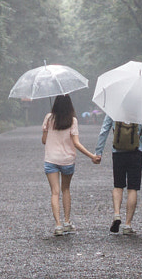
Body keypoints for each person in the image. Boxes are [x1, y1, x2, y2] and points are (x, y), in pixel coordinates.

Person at [41, 94, 99, 235]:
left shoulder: (49, 118)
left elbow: (44, 140)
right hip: (67, 160)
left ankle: (58, 225)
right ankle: (67, 222)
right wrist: (92, 156)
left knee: (54, 192)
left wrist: (49, 132)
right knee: (65, 189)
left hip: (51, 160)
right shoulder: (72, 121)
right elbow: (76, 143)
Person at [95, 116, 142, 235]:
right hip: (136, 152)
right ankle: (127, 225)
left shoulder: (113, 111)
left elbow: (104, 131)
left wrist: (98, 152)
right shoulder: (139, 111)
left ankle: (117, 214)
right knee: (132, 188)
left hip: (118, 152)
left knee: (118, 186)